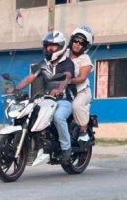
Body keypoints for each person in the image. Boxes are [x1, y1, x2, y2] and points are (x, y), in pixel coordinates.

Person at [14, 30, 76, 164]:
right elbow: (31, 77)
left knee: (58, 117)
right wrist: (16, 88)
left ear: (60, 47)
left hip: (64, 100)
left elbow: (67, 77)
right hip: (47, 100)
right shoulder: (43, 64)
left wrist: (59, 89)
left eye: (53, 46)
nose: (50, 49)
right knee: (30, 113)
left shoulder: (68, 63)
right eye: (48, 46)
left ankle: (66, 149)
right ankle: (36, 146)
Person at [67, 26, 94, 142]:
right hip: (65, 91)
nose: (77, 44)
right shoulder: (64, 54)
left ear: (85, 46)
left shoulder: (85, 58)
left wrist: (67, 80)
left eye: (81, 43)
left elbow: (82, 78)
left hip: (81, 92)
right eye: (75, 40)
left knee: (76, 106)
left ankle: (83, 132)